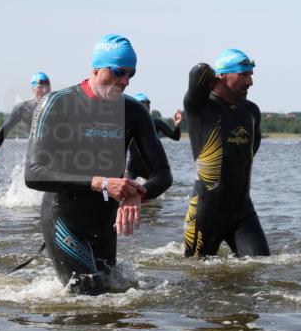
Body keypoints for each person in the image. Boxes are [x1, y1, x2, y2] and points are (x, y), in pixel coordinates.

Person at [24, 35, 173, 295]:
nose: (125, 81)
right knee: (90, 295)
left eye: (131, 74)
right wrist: (100, 183)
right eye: (118, 72)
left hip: (105, 223)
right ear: (96, 69)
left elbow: (163, 174)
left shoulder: (133, 111)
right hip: (64, 217)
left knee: (113, 300)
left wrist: (137, 194)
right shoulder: (58, 103)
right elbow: (33, 174)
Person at [182, 49, 269, 258]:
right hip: (206, 211)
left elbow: (249, 152)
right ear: (222, 75)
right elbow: (198, 72)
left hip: (242, 211)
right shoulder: (200, 107)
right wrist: (214, 75)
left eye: (251, 75)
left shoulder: (251, 111)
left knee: (261, 266)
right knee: (196, 273)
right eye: (243, 75)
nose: (250, 82)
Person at [0, 72, 51, 168]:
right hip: (36, 154)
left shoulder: (58, 107)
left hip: (55, 153)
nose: (44, 90)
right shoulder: (23, 108)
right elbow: (4, 130)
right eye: (40, 87)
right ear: (33, 89)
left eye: (47, 87)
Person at [126, 93, 183, 180]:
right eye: (142, 103)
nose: (146, 105)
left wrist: (177, 125)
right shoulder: (128, 124)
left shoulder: (156, 123)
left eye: (148, 103)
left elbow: (175, 137)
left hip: (151, 168)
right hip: (133, 168)